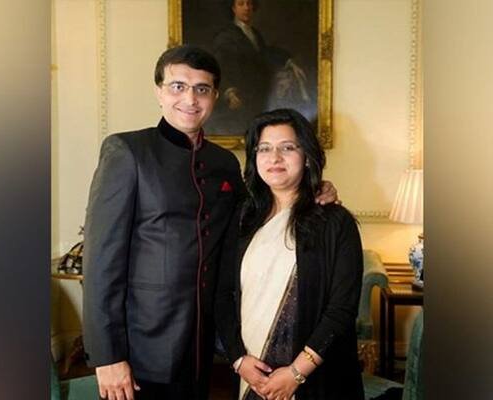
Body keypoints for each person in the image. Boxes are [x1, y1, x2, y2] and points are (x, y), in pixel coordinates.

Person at [81, 46, 338, 400]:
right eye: (178, 86)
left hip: (202, 346)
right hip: (141, 346)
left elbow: (261, 211)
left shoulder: (224, 163)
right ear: (159, 92)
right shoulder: (127, 151)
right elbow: (100, 261)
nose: (190, 99)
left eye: (202, 89)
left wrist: (317, 188)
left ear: (215, 96)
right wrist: (108, 356)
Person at [215, 108, 364, 399]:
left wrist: (296, 373)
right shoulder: (241, 218)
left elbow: (342, 308)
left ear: (306, 156)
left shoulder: (335, 222)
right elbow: (222, 294)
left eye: (287, 147)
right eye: (264, 149)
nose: (275, 158)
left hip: (318, 380)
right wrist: (239, 360)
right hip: (252, 374)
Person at [209, 0, 309, 135]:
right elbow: (221, 66)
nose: (246, 8)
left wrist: (288, 60)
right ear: (233, 8)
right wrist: (229, 92)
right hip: (240, 97)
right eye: (241, 4)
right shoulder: (226, 36)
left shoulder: (254, 33)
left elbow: (264, 53)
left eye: (249, 4)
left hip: (258, 94)